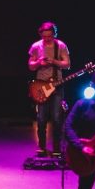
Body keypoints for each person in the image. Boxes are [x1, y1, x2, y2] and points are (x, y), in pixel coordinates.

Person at [27, 20, 72, 155]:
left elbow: (67, 64)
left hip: (57, 85)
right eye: (44, 36)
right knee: (41, 118)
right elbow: (30, 65)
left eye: (50, 36)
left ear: (54, 34)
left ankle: (57, 149)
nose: (47, 39)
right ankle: (41, 147)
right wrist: (39, 63)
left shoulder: (61, 45)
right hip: (41, 86)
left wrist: (54, 61)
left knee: (57, 118)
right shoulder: (36, 46)